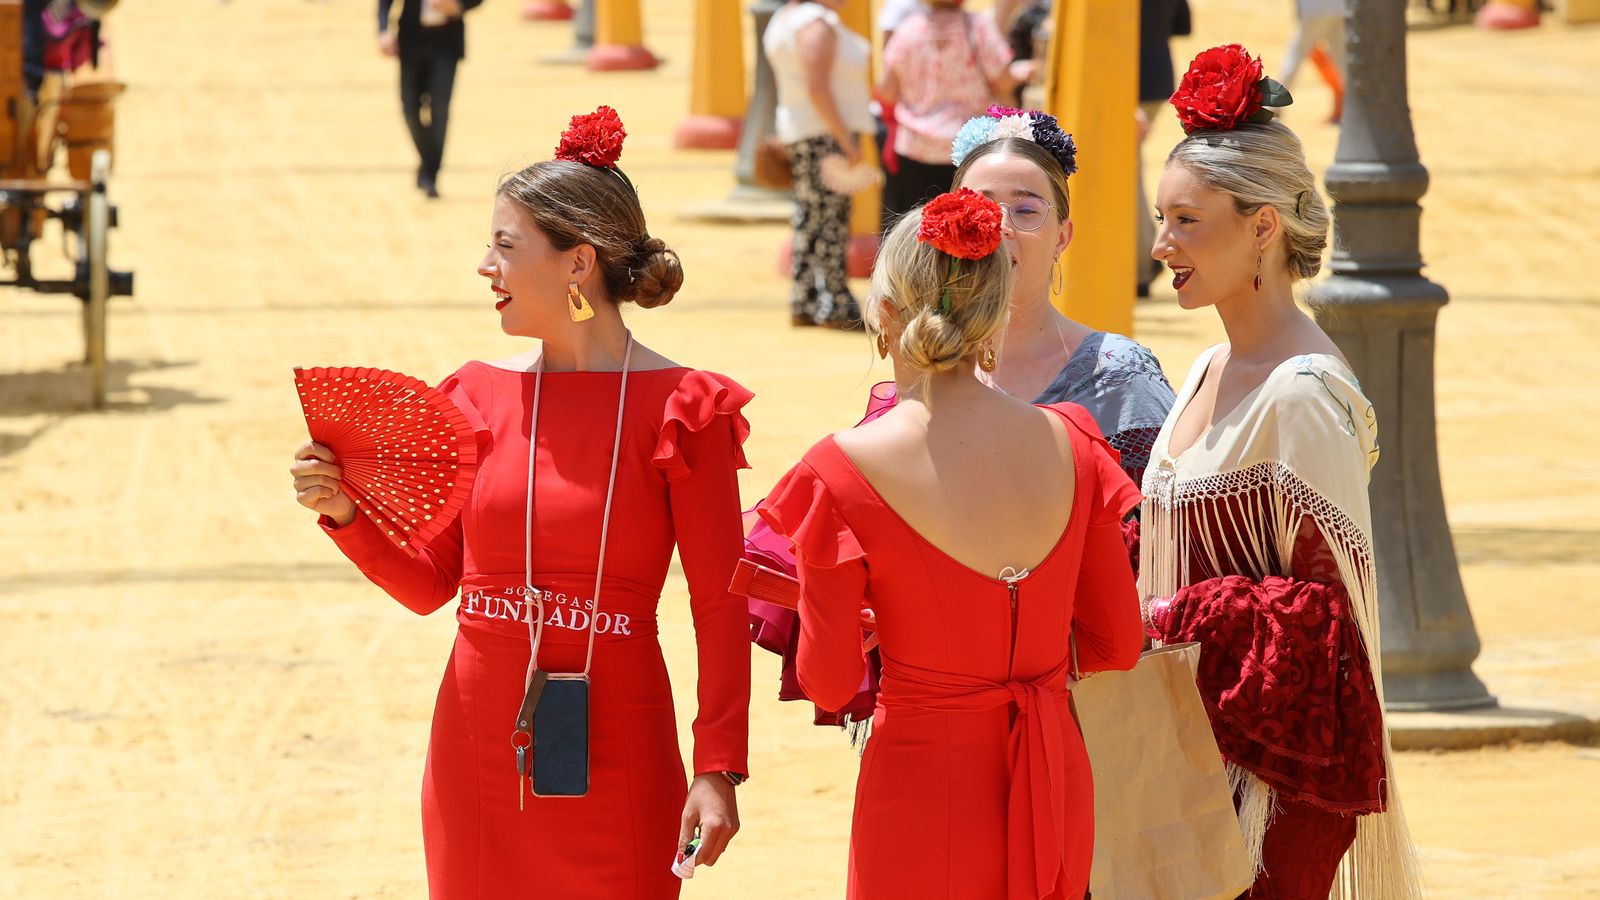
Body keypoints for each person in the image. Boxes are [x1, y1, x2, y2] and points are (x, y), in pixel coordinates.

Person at [288, 108, 752, 898]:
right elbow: (433, 583)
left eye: (505, 246)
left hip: (622, 741)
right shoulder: (474, 396)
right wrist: (344, 515)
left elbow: (721, 605)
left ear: (578, 264)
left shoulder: (684, 408)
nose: (484, 266)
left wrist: (718, 768)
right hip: (480, 746)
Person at [759, 189, 1144, 898]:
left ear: (882, 311)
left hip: (919, 786)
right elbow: (1119, 644)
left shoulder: (839, 472)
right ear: (996, 311)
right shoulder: (1075, 440)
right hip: (1051, 776)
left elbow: (831, 681)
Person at [745, 108, 1174, 729]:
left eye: (1026, 209)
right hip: (1019, 711)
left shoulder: (1120, 373)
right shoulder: (909, 400)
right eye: (979, 207)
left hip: (1088, 716)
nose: (998, 228)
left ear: (1063, 234)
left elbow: (1160, 547)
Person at [1145, 46, 1420, 898]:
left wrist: (1164, 615)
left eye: (1187, 221)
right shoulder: (1203, 370)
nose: (1160, 244)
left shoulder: (1303, 394)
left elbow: (1329, 639)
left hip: (1261, 804)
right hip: (1169, 774)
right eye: (1162, 219)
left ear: (1263, 225)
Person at [765, 0, 875, 329]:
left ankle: (808, 299)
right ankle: (833, 302)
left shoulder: (786, 18)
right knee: (830, 218)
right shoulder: (815, 22)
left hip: (805, 130)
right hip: (824, 134)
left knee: (812, 217)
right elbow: (817, 86)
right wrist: (844, 139)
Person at [876, 0, 1031, 229]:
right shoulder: (978, 27)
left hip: (913, 151)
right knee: (966, 238)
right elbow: (1004, 81)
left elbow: (886, 91)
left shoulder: (907, 30)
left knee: (915, 237)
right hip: (967, 151)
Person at [378, 0, 482, 199]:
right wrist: (383, 30)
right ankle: (428, 162)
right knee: (409, 110)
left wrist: (459, 6)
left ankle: (430, 175)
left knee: (440, 111)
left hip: (446, 42)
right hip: (411, 39)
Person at [1135, 0, 1191, 296]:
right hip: (1158, 77)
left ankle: (1141, 264)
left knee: (1125, 174)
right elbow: (1183, 25)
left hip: (1127, 83)